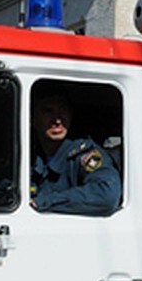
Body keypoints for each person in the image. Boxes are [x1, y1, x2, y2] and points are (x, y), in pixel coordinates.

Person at [30, 83, 121, 215]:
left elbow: (107, 195)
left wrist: (44, 202)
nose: (57, 120)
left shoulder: (84, 153)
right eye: (48, 111)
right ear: (33, 119)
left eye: (63, 110)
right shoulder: (28, 157)